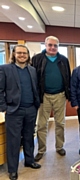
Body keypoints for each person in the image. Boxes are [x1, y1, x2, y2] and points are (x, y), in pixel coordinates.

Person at [0, 45, 41, 180]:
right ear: (14, 54)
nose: (22, 55)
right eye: (19, 53)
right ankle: (13, 169)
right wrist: (4, 107)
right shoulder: (5, 69)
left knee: (29, 137)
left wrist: (36, 105)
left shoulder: (32, 70)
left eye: (24, 53)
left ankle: (29, 161)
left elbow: (35, 88)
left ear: (28, 55)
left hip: (31, 109)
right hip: (14, 110)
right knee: (14, 141)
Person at [32, 36, 71, 161]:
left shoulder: (63, 60)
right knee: (42, 124)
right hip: (44, 96)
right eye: (50, 45)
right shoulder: (37, 59)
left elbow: (68, 77)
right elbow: (33, 78)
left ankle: (59, 147)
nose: (52, 47)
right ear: (45, 45)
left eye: (55, 45)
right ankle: (41, 150)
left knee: (60, 123)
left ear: (58, 47)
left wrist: (68, 94)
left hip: (60, 95)